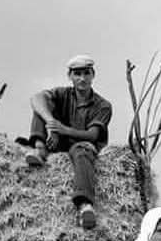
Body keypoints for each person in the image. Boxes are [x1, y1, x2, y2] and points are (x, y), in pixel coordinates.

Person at [19, 54, 112, 229]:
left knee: (82, 152)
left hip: (82, 144)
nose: (82, 78)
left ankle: (85, 204)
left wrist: (63, 130)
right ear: (70, 76)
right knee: (42, 108)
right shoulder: (63, 94)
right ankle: (40, 149)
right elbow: (36, 98)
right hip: (58, 141)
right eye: (77, 74)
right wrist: (51, 125)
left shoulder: (103, 105)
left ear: (93, 75)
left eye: (86, 73)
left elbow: (92, 135)